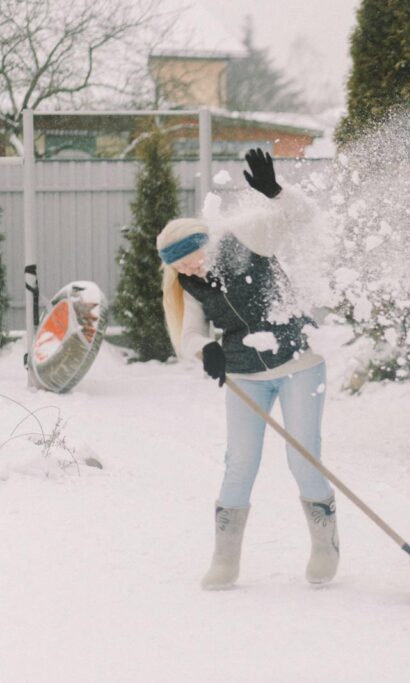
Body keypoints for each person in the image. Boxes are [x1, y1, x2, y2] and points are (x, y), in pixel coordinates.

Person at [157, 148, 338, 590]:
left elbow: (302, 218)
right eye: (178, 265)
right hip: (244, 375)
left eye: (190, 257)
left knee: (302, 456)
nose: (188, 267)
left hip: (298, 360)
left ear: (204, 242)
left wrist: (276, 192)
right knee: (239, 462)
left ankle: (325, 545)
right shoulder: (190, 284)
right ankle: (225, 560)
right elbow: (190, 335)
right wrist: (207, 352)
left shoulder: (246, 239)